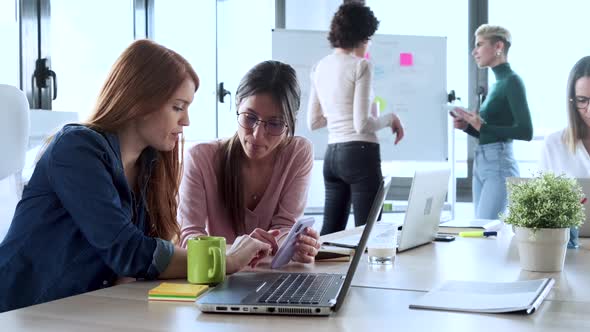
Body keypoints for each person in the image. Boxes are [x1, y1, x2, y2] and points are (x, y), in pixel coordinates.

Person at [0, 40, 271, 313]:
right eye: (178, 107)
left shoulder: (150, 165)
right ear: (139, 102)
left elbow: (142, 260)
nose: (186, 121)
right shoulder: (76, 149)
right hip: (23, 311)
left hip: (82, 311)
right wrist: (227, 261)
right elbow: (128, 251)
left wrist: (228, 251)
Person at [178, 60, 321, 264]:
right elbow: (189, 239)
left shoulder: (298, 153)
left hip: (268, 278)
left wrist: (296, 245)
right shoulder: (201, 158)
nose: (257, 135)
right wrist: (237, 251)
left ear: (291, 122)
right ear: (237, 105)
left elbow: (284, 228)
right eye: (249, 117)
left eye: (275, 124)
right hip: (215, 279)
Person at [306, 3, 405, 235]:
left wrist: (339, 114)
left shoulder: (319, 67)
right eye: (369, 38)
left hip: (332, 157)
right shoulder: (361, 66)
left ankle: (325, 273)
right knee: (369, 233)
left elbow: (314, 122)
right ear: (362, 36)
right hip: (361, 154)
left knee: (330, 234)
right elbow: (363, 124)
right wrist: (391, 118)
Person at [452, 24, 533, 220]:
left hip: (499, 164)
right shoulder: (497, 84)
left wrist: (483, 126)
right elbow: (488, 132)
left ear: (498, 46)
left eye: (479, 44)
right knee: (479, 231)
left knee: (482, 231)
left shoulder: (512, 81)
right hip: (482, 162)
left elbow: (526, 131)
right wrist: (468, 128)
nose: (474, 51)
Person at [539, 56, 590, 248]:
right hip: (568, 248)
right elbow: (542, 210)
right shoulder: (554, 144)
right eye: (582, 100)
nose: (589, 110)